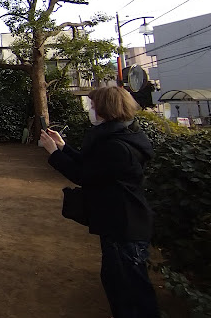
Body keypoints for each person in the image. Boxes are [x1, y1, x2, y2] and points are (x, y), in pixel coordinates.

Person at [39, 86, 159, 318]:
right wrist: (63, 147)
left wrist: (54, 154)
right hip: (123, 222)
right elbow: (92, 164)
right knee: (121, 283)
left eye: (93, 106)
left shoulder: (116, 145)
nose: (91, 110)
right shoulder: (122, 135)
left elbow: (85, 175)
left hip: (124, 225)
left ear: (106, 108)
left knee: (129, 292)